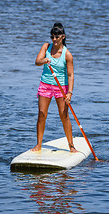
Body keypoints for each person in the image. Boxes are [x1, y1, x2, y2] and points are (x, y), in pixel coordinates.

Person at [31, 23, 78, 153]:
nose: (54, 39)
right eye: (52, 37)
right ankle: (38, 144)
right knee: (41, 114)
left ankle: (71, 146)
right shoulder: (46, 47)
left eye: (57, 37)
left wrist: (69, 93)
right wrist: (44, 60)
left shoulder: (67, 55)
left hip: (61, 87)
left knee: (64, 116)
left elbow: (70, 75)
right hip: (45, 84)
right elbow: (37, 61)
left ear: (63, 37)